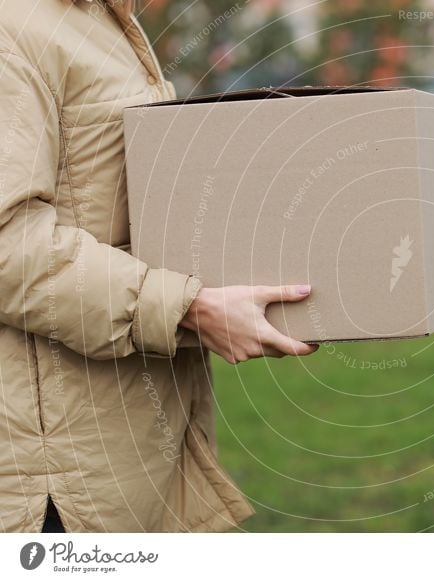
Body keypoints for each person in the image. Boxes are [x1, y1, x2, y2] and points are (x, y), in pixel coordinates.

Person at [0, 0, 316, 532]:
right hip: (60, 484)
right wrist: (188, 307)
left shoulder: (101, 20)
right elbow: (8, 245)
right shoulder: (14, 28)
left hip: (131, 448)